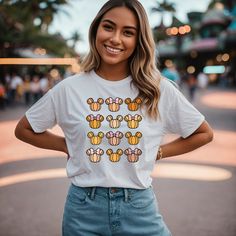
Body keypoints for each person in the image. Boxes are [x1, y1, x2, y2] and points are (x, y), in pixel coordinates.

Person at [14, 0, 213, 235]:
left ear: (138, 40)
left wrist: (159, 152)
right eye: (108, 27)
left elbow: (203, 133)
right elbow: (24, 129)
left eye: (128, 32)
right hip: (83, 211)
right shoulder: (68, 89)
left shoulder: (158, 89)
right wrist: (66, 145)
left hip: (139, 207)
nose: (115, 39)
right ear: (96, 29)